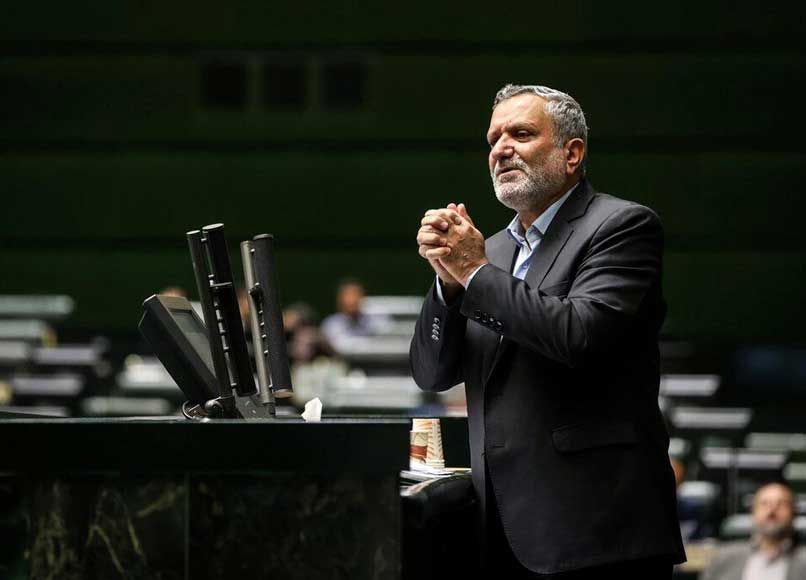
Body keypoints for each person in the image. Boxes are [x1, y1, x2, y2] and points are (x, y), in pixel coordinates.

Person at [410, 84, 685, 577]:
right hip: (497, 531)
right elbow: (432, 373)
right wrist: (447, 283)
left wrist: (472, 272)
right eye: (493, 138)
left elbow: (578, 335)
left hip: (596, 532)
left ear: (571, 153)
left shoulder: (621, 226)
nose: (500, 148)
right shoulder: (490, 251)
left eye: (520, 133)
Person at [701, 482, 806, 580]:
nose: (772, 510)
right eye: (764, 503)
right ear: (753, 513)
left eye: (781, 504)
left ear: (793, 513)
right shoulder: (723, 559)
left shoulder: (803, 561)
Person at [320, 279, 388, 346]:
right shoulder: (331, 324)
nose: (351, 300)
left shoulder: (377, 320)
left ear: (363, 297)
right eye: (347, 295)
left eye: (355, 295)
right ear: (340, 300)